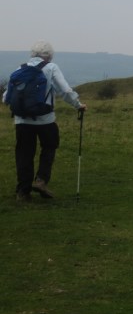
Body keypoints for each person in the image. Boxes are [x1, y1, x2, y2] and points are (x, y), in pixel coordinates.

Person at [3, 41, 87, 202]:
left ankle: (22, 192)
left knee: (24, 154)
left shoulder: (19, 69)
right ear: (49, 55)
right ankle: (41, 180)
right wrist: (78, 105)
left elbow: (6, 97)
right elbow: (65, 90)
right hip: (46, 120)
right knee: (49, 147)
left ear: (32, 54)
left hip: (22, 121)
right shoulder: (51, 67)